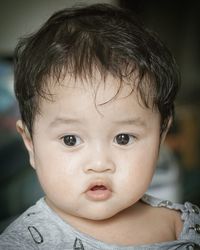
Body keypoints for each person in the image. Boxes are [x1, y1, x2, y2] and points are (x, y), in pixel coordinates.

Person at [0, 4, 200, 249]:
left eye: (124, 138)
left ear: (160, 137)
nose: (99, 164)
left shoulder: (183, 225)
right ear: (30, 144)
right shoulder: (23, 242)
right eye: (70, 139)